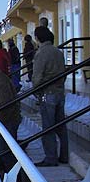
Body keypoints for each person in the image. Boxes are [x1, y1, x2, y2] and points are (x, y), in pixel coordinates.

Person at [32, 26, 68, 167]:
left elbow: (38, 76)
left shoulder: (41, 53)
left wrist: (36, 90)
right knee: (61, 126)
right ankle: (64, 155)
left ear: (37, 38)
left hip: (47, 94)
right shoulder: (58, 52)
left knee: (48, 127)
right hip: (59, 92)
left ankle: (51, 157)